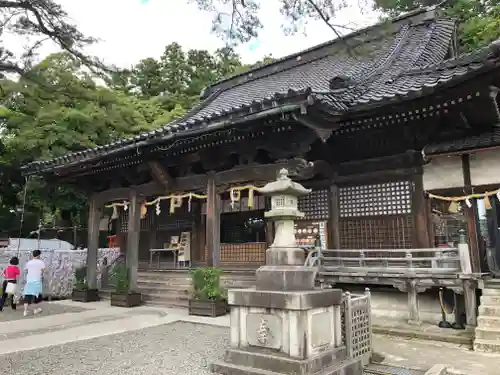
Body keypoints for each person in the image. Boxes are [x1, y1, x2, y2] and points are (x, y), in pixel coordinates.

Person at [23, 250, 45, 317]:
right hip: (37, 281)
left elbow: (26, 271)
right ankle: (35, 309)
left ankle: (25, 311)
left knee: (27, 296)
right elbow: (42, 271)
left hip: (29, 281)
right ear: (38, 255)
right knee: (36, 296)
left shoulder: (28, 263)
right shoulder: (41, 262)